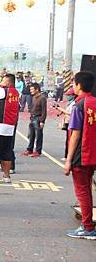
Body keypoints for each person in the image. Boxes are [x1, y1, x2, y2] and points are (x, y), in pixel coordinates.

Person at [64, 71, 96, 240]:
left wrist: (68, 160)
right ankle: (87, 223)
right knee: (87, 189)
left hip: (80, 155)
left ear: (78, 85)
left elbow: (75, 134)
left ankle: (88, 227)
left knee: (82, 191)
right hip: (92, 154)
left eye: (74, 84)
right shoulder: (94, 103)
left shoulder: (79, 106)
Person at [22, 83, 47, 157]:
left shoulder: (42, 98)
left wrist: (42, 121)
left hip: (38, 118)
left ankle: (38, 151)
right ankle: (30, 149)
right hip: (33, 118)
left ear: (37, 89)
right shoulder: (33, 97)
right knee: (31, 135)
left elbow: (44, 111)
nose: (31, 91)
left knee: (38, 135)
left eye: (32, 89)